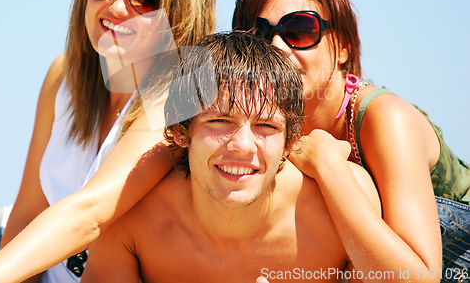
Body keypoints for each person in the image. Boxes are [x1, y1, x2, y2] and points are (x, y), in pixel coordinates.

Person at [0, 0, 223, 283]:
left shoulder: (179, 93)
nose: (117, 7)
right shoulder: (63, 75)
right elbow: (27, 212)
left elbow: (91, 213)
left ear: (179, 13)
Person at [232, 0, 470, 283]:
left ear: (343, 46)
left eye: (300, 30)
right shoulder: (255, 128)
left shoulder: (385, 119)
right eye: (259, 34)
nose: (277, 47)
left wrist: (328, 166)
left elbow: (420, 278)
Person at [81, 31, 382, 283]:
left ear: (289, 142)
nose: (243, 145)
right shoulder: (130, 221)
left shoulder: (341, 207)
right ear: (180, 130)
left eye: (266, 126)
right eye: (220, 121)